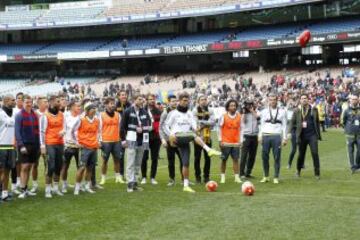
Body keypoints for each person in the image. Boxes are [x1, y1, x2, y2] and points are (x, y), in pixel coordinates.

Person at [165, 92, 221, 193]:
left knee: (186, 163)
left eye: (187, 100)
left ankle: (186, 185)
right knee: (193, 135)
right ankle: (209, 150)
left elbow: (194, 125)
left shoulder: (190, 113)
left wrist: (197, 128)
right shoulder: (173, 113)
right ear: (180, 101)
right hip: (177, 137)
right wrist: (170, 135)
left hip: (186, 138)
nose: (186, 102)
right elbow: (165, 126)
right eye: (184, 100)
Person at [121, 94, 152, 192]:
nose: (142, 101)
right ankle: (129, 184)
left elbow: (149, 125)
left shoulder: (145, 112)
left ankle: (135, 183)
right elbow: (122, 126)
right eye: (139, 99)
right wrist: (123, 140)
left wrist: (142, 129)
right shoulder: (127, 111)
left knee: (138, 163)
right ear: (134, 100)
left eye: (142, 99)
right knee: (130, 162)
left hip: (142, 140)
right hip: (131, 139)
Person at [290, 94, 321, 179]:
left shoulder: (313, 109)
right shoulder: (297, 110)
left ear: (308, 100)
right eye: (302, 98)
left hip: (312, 135)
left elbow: (317, 122)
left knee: (315, 153)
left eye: (305, 98)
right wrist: (291, 133)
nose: (304, 100)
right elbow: (292, 122)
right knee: (301, 155)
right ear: (300, 100)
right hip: (302, 136)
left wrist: (318, 134)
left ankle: (317, 173)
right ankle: (298, 171)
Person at [40, 95, 66, 198]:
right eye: (57, 101)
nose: (60, 103)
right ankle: (47, 189)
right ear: (51, 103)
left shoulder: (61, 114)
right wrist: (42, 145)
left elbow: (64, 127)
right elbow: (42, 132)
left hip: (60, 143)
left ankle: (55, 188)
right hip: (50, 143)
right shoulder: (45, 116)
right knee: (50, 167)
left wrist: (63, 132)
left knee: (59, 166)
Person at [258, 93, 287, 184]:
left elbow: (285, 126)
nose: (272, 101)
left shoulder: (282, 111)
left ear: (277, 100)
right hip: (265, 136)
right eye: (270, 100)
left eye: (274, 99)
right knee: (264, 157)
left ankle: (276, 177)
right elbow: (261, 125)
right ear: (268, 101)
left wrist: (285, 138)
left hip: (276, 136)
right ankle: (266, 176)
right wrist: (259, 136)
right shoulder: (264, 111)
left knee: (277, 157)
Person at [15, 95, 40, 199]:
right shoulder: (19, 115)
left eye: (30, 102)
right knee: (24, 167)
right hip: (24, 145)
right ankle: (22, 190)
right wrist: (21, 145)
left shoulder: (34, 114)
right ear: (23, 103)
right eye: (26, 102)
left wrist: (38, 145)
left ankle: (26, 188)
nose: (28, 104)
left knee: (29, 167)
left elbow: (37, 131)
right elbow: (17, 131)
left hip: (34, 144)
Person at [72, 102, 100, 195]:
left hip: (94, 147)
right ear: (87, 111)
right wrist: (77, 143)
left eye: (95, 108)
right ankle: (77, 187)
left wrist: (98, 141)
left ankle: (87, 186)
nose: (94, 110)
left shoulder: (96, 120)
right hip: (85, 147)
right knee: (82, 168)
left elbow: (98, 132)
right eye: (92, 108)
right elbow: (73, 131)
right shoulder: (81, 120)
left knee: (90, 168)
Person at [99, 97, 124, 185]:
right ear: (106, 105)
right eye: (110, 103)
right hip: (105, 141)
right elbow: (98, 129)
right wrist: (99, 141)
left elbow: (121, 128)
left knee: (117, 160)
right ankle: (103, 178)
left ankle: (118, 177)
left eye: (113, 103)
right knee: (104, 161)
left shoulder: (118, 115)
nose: (112, 105)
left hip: (116, 140)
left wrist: (122, 139)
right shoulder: (101, 115)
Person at [159, 95, 183, 186]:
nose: (175, 102)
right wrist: (163, 140)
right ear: (168, 102)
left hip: (180, 139)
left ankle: (183, 179)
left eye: (175, 101)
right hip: (169, 140)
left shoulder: (180, 111)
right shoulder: (165, 113)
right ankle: (171, 179)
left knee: (183, 159)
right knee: (171, 160)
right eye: (172, 101)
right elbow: (161, 127)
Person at [192, 95, 215, 184]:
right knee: (197, 158)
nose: (204, 101)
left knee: (208, 158)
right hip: (197, 138)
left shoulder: (210, 110)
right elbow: (194, 123)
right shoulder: (194, 111)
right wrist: (207, 123)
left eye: (205, 99)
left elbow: (213, 122)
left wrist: (202, 122)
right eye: (202, 99)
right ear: (198, 101)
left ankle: (206, 176)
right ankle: (198, 177)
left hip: (207, 137)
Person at [218, 99, 242, 184]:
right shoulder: (223, 116)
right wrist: (220, 140)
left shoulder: (239, 116)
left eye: (234, 105)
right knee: (224, 160)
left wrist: (241, 140)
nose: (233, 107)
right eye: (231, 105)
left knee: (236, 160)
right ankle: (223, 177)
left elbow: (241, 129)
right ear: (228, 107)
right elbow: (219, 128)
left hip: (235, 142)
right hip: (225, 142)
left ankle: (236, 177)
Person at [141, 94, 162, 185]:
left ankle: (153, 177)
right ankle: (144, 177)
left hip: (156, 137)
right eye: (150, 99)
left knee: (154, 158)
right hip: (145, 137)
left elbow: (160, 123)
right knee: (144, 157)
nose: (152, 101)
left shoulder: (158, 111)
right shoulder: (142, 110)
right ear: (147, 100)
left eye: (153, 99)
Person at [60, 100, 81, 193]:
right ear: (72, 107)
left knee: (80, 167)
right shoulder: (66, 117)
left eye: (79, 106)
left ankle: (79, 185)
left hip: (79, 146)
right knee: (65, 166)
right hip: (68, 146)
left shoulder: (81, 118)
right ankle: (64, 184)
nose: (79, 108)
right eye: (77, 106)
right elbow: (63, 130)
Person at [30, 96, 48, 193]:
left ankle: (48, 185)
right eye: (45, 102)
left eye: (47, 101)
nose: (47, 103)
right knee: (34, 164)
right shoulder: (34, 114)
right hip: (36, 143)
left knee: (48, 165)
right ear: (39, 104)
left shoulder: (49, 114)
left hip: (47, 143)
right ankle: (35, 185)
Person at [0, 95, 16, 201]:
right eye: (12, 100)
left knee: (8, 171)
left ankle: (5, 193)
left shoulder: (14, 113)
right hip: (1, 146)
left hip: (11, 146)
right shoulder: (1, 113)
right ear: (6, 101)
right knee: (1, 171)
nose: (14, 102)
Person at [239, 99, 260, 179]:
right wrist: (244, 112)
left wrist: (252, 111)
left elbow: (258, 118)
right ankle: (241, 173)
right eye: (247, 105)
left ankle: (248, 172)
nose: (249, 106)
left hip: (254, 136)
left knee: (252, 155)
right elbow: (243, 121)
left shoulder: (256, 112)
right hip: (246, 136)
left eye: (250, 104)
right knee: (244, 155)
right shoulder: (243, 113)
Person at [341, 94, 360, 173]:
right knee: (350, 151)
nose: (354, 100)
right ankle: (352, 167)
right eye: (353, 99)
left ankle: (357, 165)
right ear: (350, 100)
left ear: (358, 100)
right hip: (350, 134)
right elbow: (342, 121)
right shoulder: (346, 110)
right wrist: (347, 128)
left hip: (359, 134)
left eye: (356, 99)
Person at [116, 90, 131, 181]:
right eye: (122, 95)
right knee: (120, 156)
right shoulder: (115, 106)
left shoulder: (130, 105)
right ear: (119, 96)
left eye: (125, 95)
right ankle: (121, 174)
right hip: (119, 135)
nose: (124, 96)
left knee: (131, 155)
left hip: (130, 133)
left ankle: (130, 174)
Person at [11, 92, 24, 194]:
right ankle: (14, 185)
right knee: (14, 163)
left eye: (22, 98)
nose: (20, 100)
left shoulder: (25, 111)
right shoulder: (13, 111)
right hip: (14, 140)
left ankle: (20, 182)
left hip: (24, 140)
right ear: (16, 100)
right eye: (18, 98)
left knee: (22, 162)